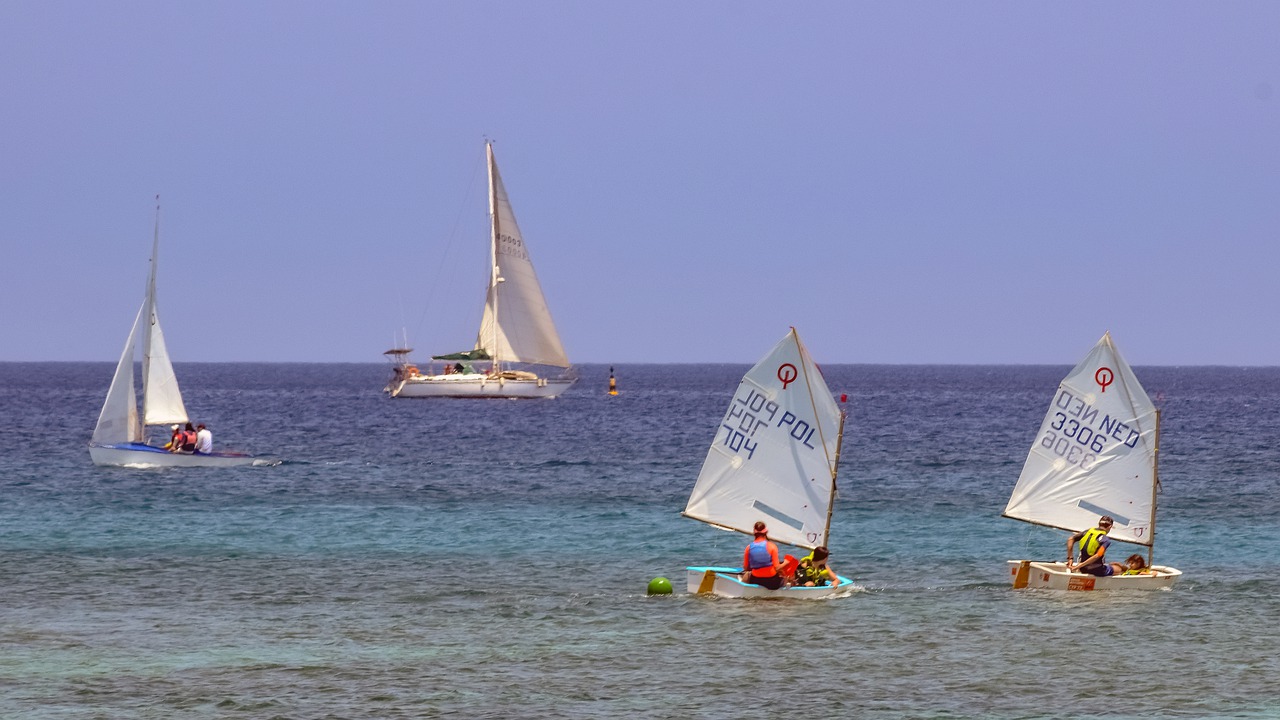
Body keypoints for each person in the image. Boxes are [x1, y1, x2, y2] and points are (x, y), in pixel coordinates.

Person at [741, 521, 784, 589]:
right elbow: (777, 567)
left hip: (755, 580)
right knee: (785, 577)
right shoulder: (772, 546)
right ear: (766, 532)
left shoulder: (748, 548)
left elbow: (746, 568)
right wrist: (787, 562)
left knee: (747, 574)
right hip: (772, 582)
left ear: (754, 533)